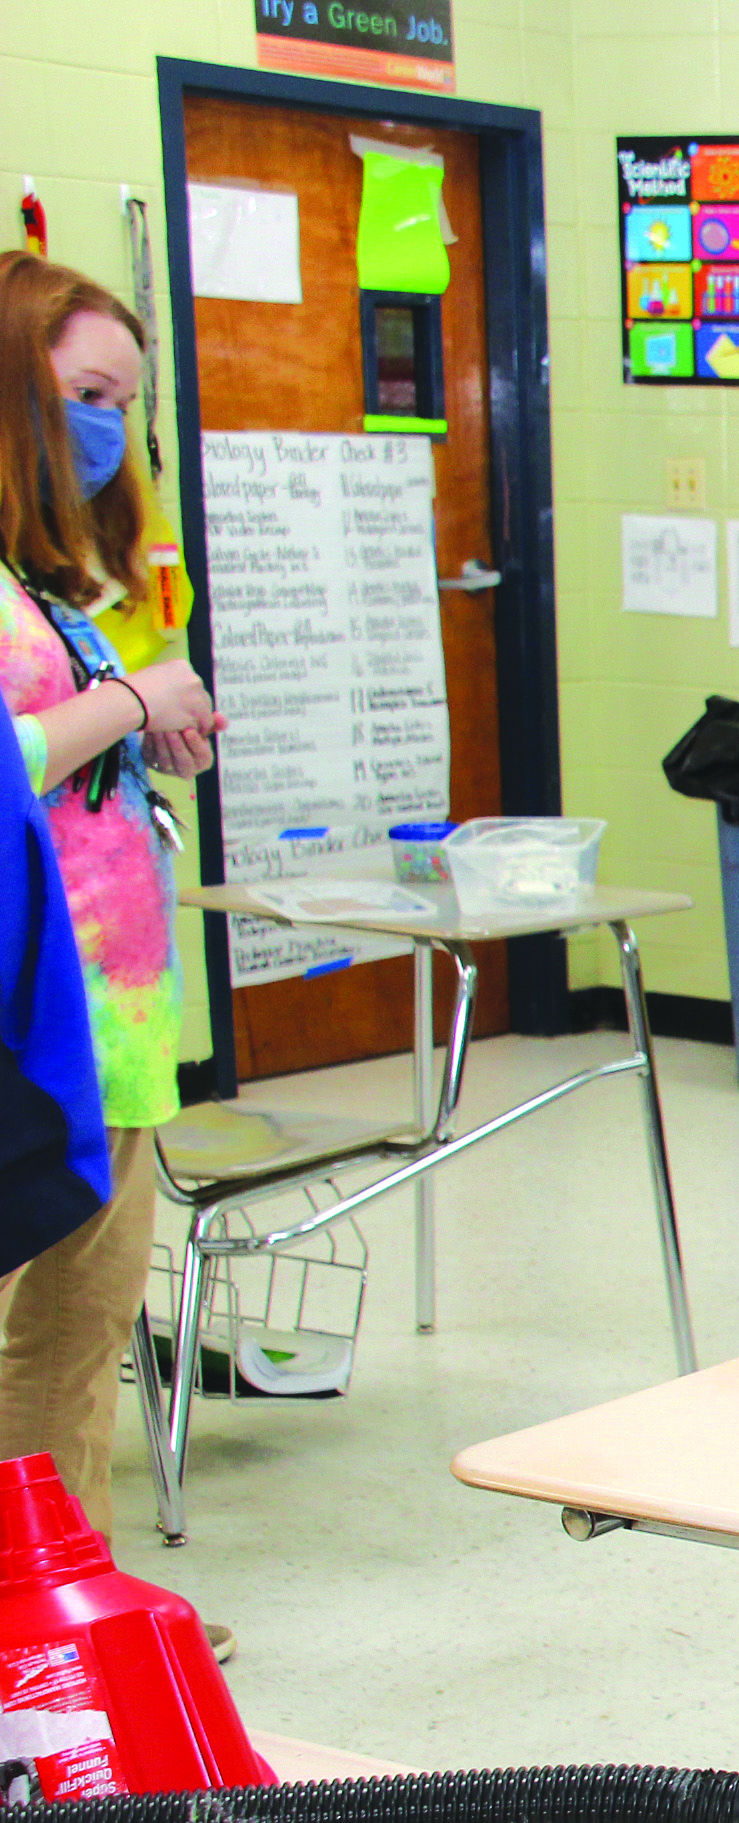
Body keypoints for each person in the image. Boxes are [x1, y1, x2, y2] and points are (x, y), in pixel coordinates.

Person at [0, 252, 225, 1571]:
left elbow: (60, 757)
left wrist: (150, 736)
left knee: (78, 1346)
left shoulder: (52, 585)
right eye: (86, 393)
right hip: (37, 1031)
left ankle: (59, 1613)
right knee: (47, 1331)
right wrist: (134, 701)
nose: (107, 432)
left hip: (117, 1031)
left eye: (123, 403)